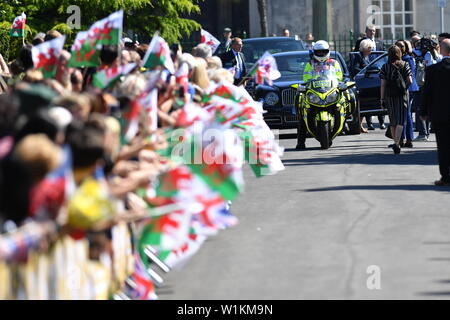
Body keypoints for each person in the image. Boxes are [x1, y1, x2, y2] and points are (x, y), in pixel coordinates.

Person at [296, 40, 343, 149]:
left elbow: (339, 76)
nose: (321, 54)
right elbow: (306, 78)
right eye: (319, 52)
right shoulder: (310, 63)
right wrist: (310, 82)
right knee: (302, 107)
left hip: (330, 89)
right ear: (314, 52)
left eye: (323, 52)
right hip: (315, 90)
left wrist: (338, 82)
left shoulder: (334, 63)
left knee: (345, 96)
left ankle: (349, 119)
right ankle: (300, 141)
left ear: (328, 51)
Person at [420, 38, 450, 186]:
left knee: (443, 147)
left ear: (441, 50)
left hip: (440, 114)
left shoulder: (433, 70)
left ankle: (445, 177)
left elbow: (427, 92)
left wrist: (423, 111)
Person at [380, 45, 412, 154]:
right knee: (401, 120)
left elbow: (383, 84)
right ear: (400, 53)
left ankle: (395, 142)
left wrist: (382, 98)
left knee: (393, 121)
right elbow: (410, 80)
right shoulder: (404, 64)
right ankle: (397, 143)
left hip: (389, 95)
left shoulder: (385, 66)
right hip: (402, 95)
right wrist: (404, 88)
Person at [354, 25, 386, 130]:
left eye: (374, 31)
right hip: (366, 79)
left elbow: (383, 58)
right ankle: (369, 123)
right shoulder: (361, 45)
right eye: (370, 30)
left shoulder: (380, 42)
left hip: (378, 76)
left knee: (380, 100)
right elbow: (356, 67)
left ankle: (382, 122)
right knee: (367, 102)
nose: (372, 32)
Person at [351, 39, 377, 132]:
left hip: (366, 82)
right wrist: (365, 70)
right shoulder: (358, 56)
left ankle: (360, 125)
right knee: (360, 105)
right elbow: (355, 68)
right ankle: (359, 125)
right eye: (369, 48)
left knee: (364, 106)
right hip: (360, 83)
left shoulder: (368, 57)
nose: (371, 50)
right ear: (365, 48)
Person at [397, 40, 419, 148]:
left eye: (401, 46)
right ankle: (402, 138)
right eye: (397, 45)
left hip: (409, 89)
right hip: (405, 89)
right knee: (404, 114)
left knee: (406, 114)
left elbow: (410, 76)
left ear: (405, 48)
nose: (399, 47)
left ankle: (409, 139)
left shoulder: (407, 59)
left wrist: (403, 87)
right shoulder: (399, 59)